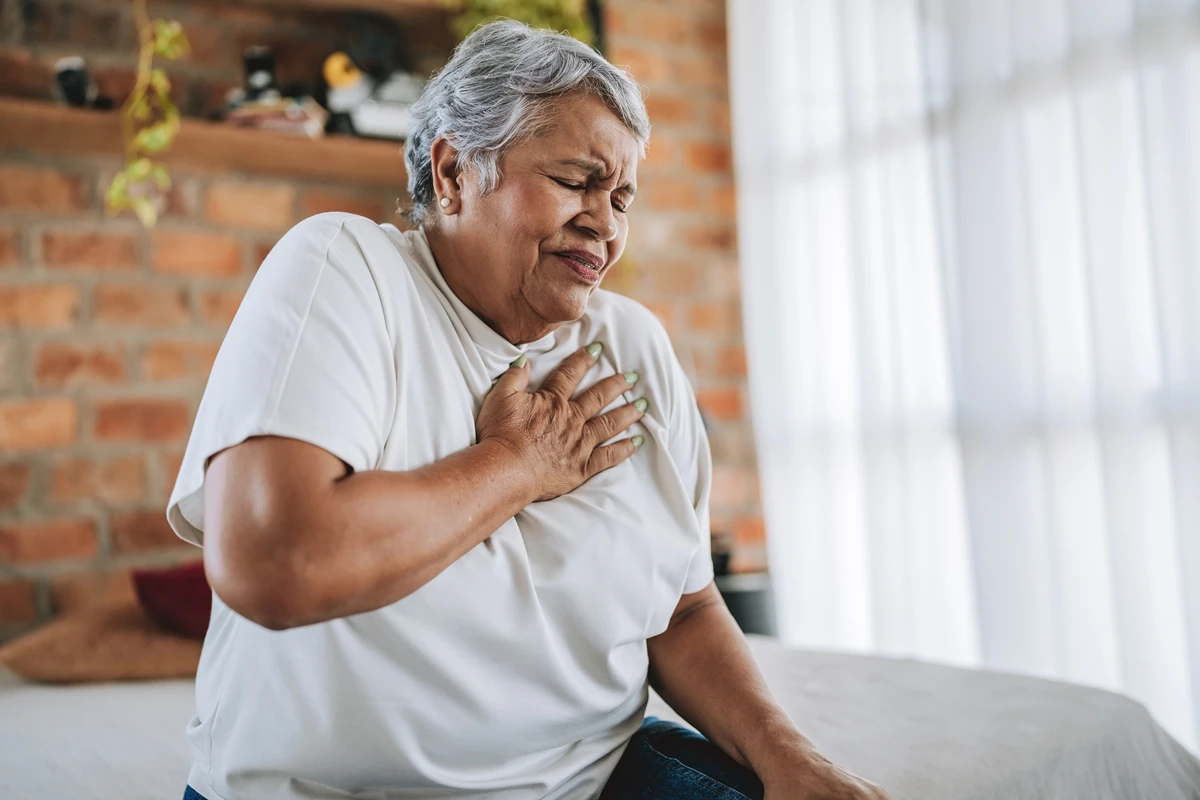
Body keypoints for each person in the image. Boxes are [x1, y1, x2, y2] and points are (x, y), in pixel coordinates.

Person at [168, 19, 889, 800]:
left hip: (599, 779)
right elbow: (278, 563)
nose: (606, 223)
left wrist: (785, 752)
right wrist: (515, 466)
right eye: (577, 181)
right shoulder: (348, 269)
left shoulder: (633, 345)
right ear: (452, 173)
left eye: (621, 197)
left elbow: (680, 610)